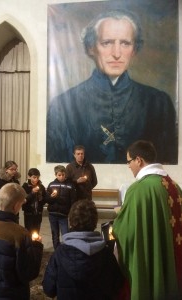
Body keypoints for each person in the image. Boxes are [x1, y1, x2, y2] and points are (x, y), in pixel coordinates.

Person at [46, 9, 177, 164]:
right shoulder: (61, 106)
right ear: (91, 47)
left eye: (125, 43)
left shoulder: (159, 103)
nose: (116, 53)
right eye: (107, 43)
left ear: (134, 49)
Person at [112, 140, 182, 300]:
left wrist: (120, 219)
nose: (129, 166)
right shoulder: (174, 186)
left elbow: (126, 232)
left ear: (139, 160)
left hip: (152, 259)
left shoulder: (139, 189)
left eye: (129, 161)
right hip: (173, 257)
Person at [42, 199, 124, 300]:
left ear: (71, 222)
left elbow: (49, 289)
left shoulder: (60, 253)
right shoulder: (106, 253)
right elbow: (117, 286)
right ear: (95, 222)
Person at [46, 165, 77, 249]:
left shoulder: (70, 185)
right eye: (59, 175)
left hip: (63, 214)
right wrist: (51, 197)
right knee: (55, 233)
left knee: (65, 233)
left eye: (63, 175)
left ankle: (66, 249)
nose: (61, 177)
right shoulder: (51, 185)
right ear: (55, 175)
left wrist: (71, 212)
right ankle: (56, 249)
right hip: (52, 213)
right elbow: (47, 199)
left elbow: (73, 200)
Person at [22, 168, 46, 234]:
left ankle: (36, 244)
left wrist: (42, 199)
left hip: (38, 213)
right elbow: (24, 200)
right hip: (29, 213)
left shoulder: (41, 186)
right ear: (29, 177)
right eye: (34, 177)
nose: (36, 179)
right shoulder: (25, 187)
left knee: (36, 232)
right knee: (28, 232)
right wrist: (32, 193)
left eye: (38, 177)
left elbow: (45, 198)